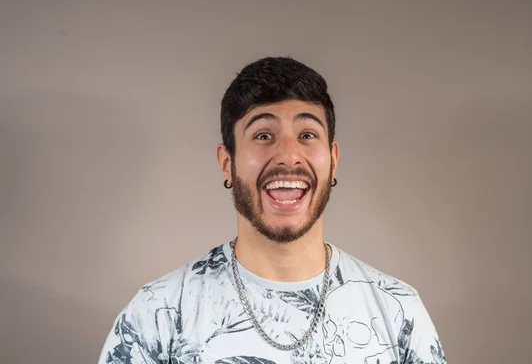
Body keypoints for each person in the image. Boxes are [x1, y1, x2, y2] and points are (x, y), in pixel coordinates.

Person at [98, 57, 447, 364]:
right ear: (227, 163)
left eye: (307, 134)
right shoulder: (157, 314)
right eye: (264, 135)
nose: (288, 156)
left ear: (334, 160)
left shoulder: (398, 311)